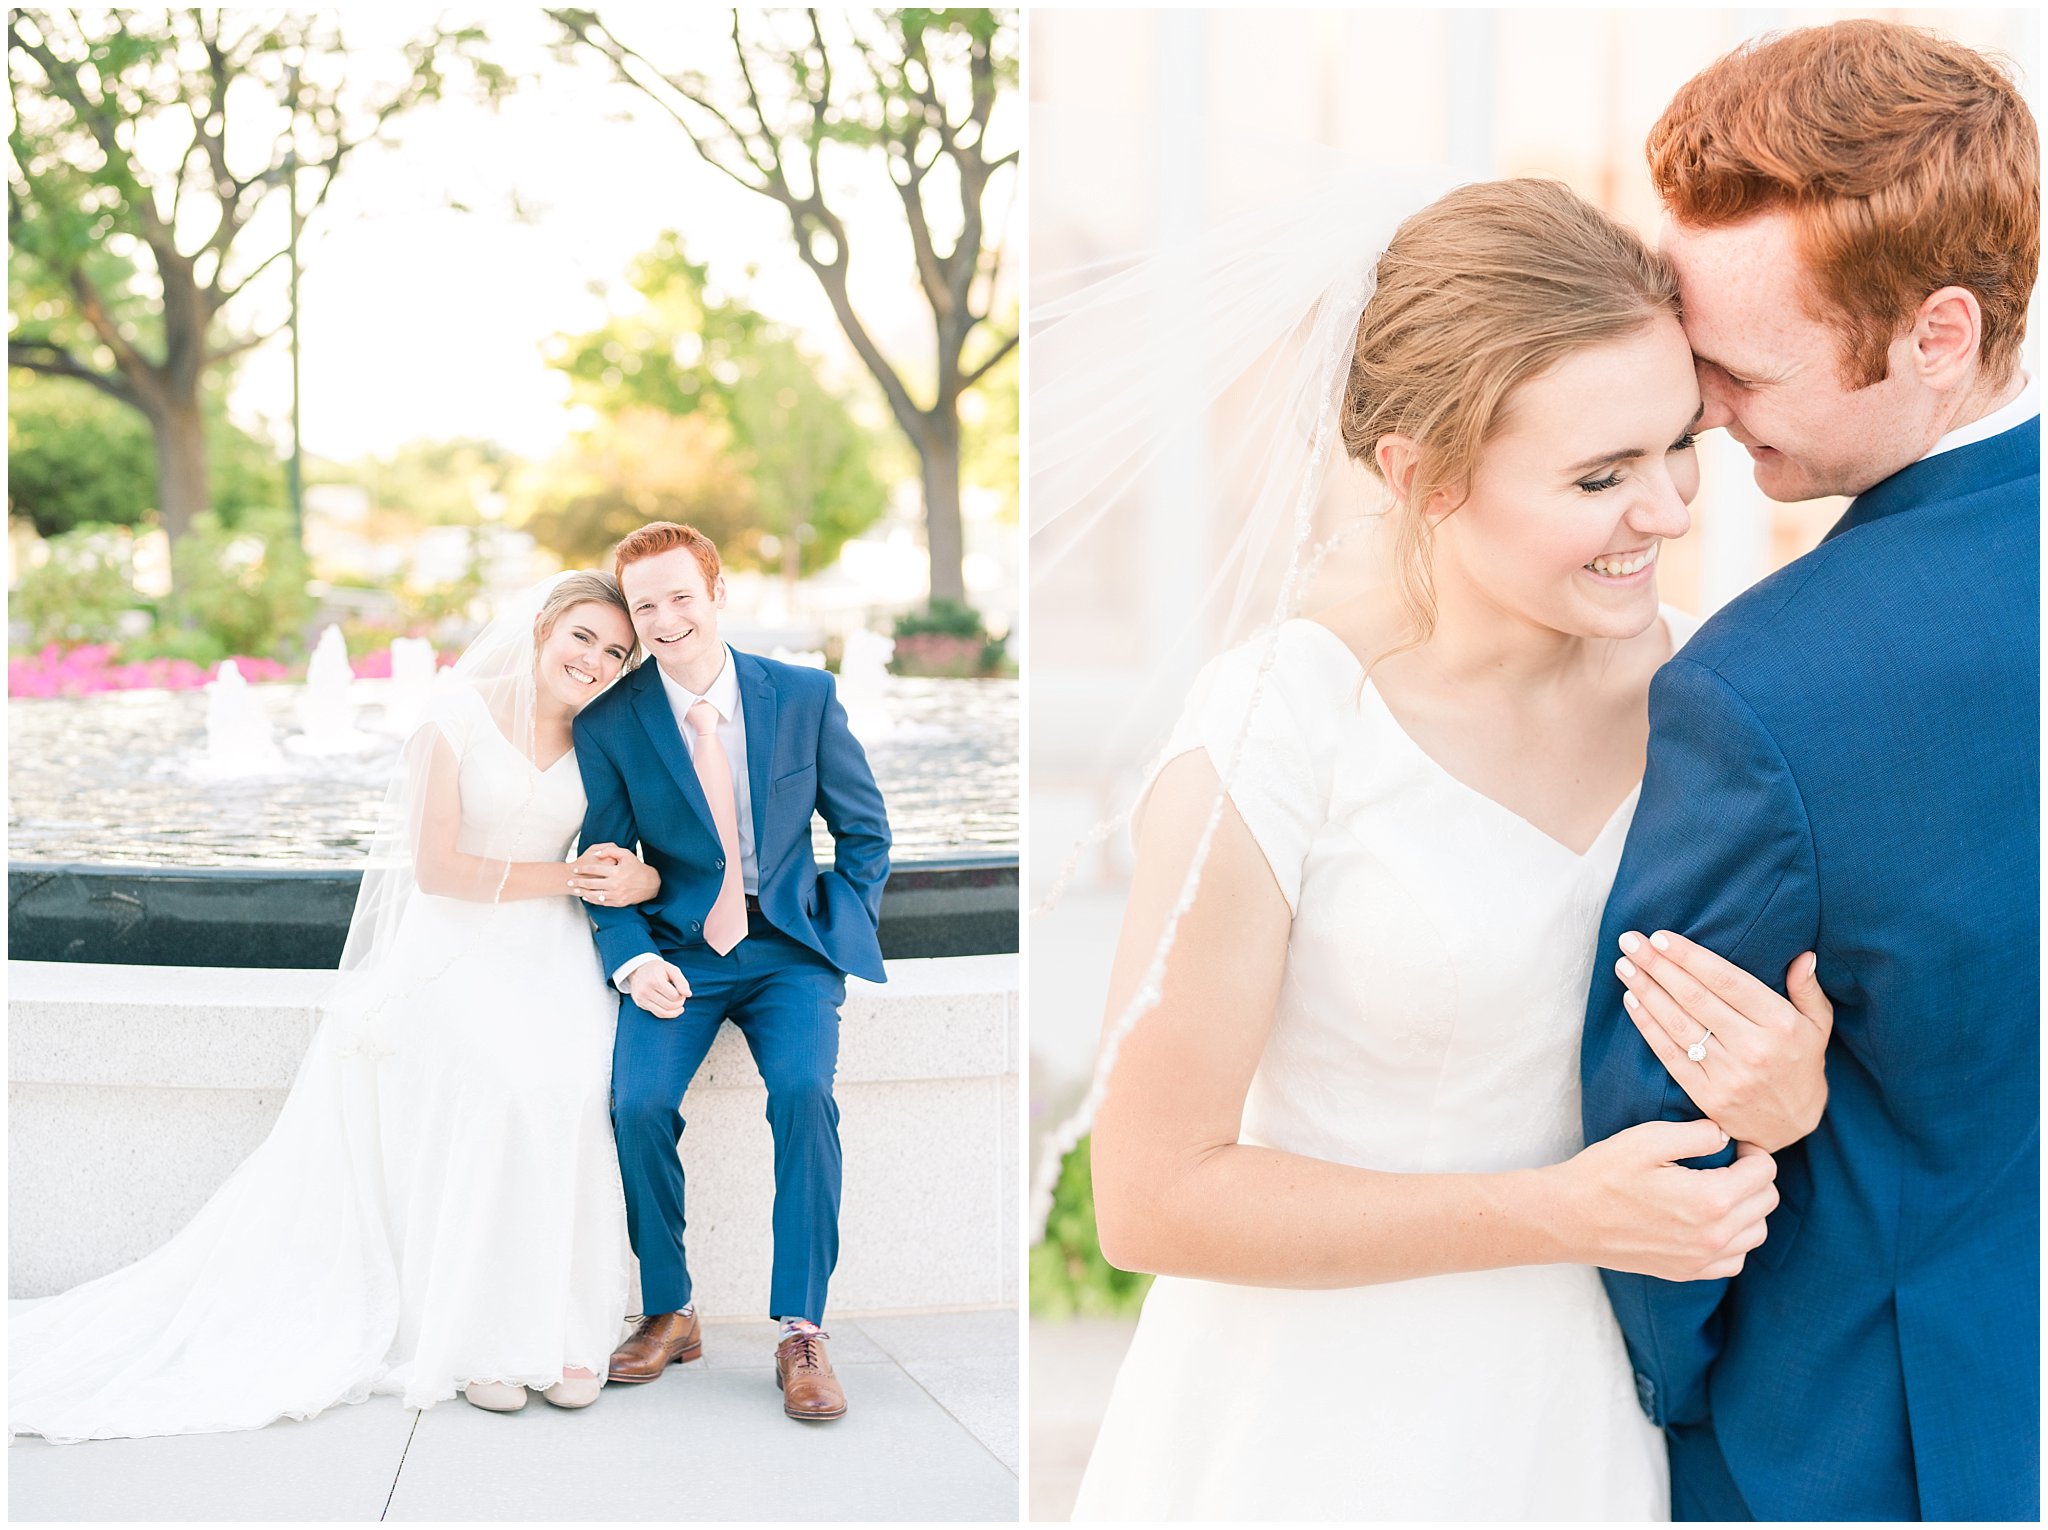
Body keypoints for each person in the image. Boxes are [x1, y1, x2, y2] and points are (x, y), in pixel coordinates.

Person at [1064, 179, 1831, 1521]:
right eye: (1599, 476)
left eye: (1679, 447)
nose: (1663, 511)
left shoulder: (1726, 702)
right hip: (1308, 1430)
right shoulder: (1280, 728)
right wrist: (1555, 1214)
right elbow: (1149, 1195)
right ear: (1422, 475)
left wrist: (1790, 1102)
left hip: (1588, 1425)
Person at [1580, 21, 2039, 1521]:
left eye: (1739, 367)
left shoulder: (1757, 695)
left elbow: (1659, 1142)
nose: (1701, 405)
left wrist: (1673, 1395)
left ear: (1940, 332)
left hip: (1872, 1439)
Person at [10, 572, 664, 1440]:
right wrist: (568, 879)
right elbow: (436, 871)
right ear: (544, 627)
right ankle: (477, 1338)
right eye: (583, 637)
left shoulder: (608, 731)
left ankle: (562, 1328)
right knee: (504, 1082)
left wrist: (642, 877)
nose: (595, 660)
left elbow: (650, 853)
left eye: (615, 652)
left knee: (575, 1087)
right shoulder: (456, 712)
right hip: (457, 943)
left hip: (551, 950)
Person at [571, 521, 891, 1423]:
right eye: (646, 606)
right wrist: (632, 958)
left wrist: (841, 925)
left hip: (789, 951)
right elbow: (601, 860)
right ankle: (670, 1309)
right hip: (677, 953)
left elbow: (865, 832)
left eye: (681, 596)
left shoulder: (803, 694)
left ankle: (801, 1330)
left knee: (801, 1093)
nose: (666, 618)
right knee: (634, 1105)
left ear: (717, 593)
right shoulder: (611, 722)